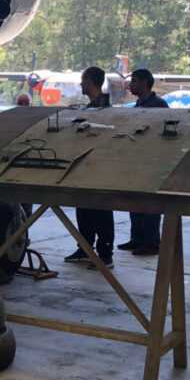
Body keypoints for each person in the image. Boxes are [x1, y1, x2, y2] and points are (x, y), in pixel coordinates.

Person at [64, 66, 115, 268]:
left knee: (101, 212)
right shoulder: (90, 108)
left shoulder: (105, 110)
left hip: (99, 168)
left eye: (83, 80)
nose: (81, 84)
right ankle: (85, 248)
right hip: (84, 166)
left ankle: (105, 255)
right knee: (84, 211)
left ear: (92, 82)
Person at [118, 68, 168, 256]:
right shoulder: (137, 105)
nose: (130, 85)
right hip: (137, 161)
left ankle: (152, 242)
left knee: (150, 204)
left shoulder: (159, 106)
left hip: (152, 161)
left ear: (145, 83)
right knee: (135, 202)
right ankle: (137, 238)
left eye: (134, 81)